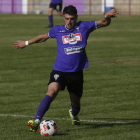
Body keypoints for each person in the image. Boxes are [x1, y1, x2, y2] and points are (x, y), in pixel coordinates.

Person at [12, 5, 118, 132]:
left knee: (76, 103)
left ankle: (73, 114)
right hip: (60, 70)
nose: (69, 21)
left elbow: (104, 22)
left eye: (72, 19)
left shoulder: (84, 26)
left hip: (76, 73)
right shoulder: (58, 30)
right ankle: (36, 121)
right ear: (63, 17)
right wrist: (26, 43)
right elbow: (43, 37)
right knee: (52, 91)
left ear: (76, 18)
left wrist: (107, 16)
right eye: (67, 18)